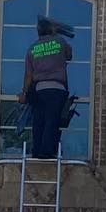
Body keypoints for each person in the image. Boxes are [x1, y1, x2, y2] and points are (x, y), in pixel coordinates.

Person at [21, 16, 73, 158]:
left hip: (39, 89)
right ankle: (47, 151)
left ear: (38, 32)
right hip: (57, 89)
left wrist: (24, 93)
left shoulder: (32, 48)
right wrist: (56, 34)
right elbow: (69, 55)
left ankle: (36, 150)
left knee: (39, 121)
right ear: (51, 30)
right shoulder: (59, 42)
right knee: (52, 119)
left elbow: (28, 75)